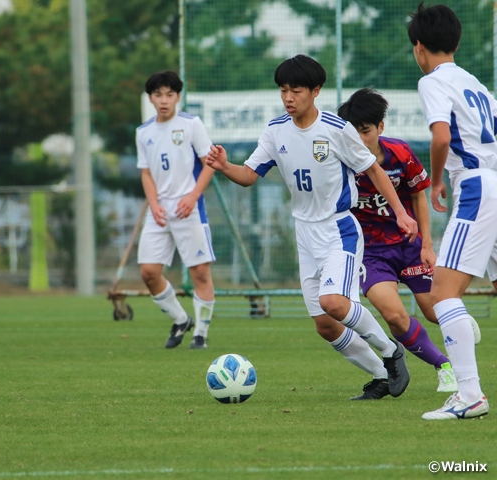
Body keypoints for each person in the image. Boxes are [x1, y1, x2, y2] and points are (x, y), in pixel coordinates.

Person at [206, 55, 416, 399]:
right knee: (325, 324)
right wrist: (224, 165)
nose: (288, 97)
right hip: (304, 233)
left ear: (316, 91)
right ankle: (380, 376)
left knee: (334, 302)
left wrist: (401, 214)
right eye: (283, 90)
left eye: (296, 90)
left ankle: (392, 353)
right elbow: (248, 176)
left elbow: (374, 170)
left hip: (339, 230)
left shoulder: (336, 129)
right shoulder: (276, 131)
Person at [338, 88, 458, 395]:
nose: (360, 140)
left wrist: (427, 245)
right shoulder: (341, 161)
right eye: (353, 132)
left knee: (434, 311)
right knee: (392, 314)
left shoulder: (400, 153)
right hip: (370, 254)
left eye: (366, 131)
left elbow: (418, 194)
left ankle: (462, 340)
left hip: (409, 247)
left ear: (380, 127)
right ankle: (444, 366)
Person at [408, 3, 494, 420]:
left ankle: (470, 396)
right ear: (457, 42)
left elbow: (441, 137)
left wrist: (437, 180)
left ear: (418, 48)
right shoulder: (476, 84)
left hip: (479, 187)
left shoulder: (433, 82)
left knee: (441, 294)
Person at [136, 71, 215, 349]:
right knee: (148, 272)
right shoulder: (143, 132)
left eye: (170, 94)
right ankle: (182, 319)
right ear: (151, 98)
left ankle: (201, 335)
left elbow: (210, 163)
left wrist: (193, 196)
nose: (164, 100)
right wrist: (154, 204)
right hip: (158, 211)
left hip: (189, 207)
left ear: (178, 97)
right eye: (158, 95)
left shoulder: (192, 124)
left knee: (200, 273)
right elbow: (146, 173)